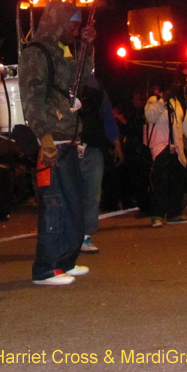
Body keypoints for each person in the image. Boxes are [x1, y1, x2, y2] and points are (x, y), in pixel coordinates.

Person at [18, 1, 94, 285]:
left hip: (69, 137)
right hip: (53, 139)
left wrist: (88, 48)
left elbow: (82, 79)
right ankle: (45, 268)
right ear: (58, 23)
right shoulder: (36, 53)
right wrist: (45, 137)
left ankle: (66, 261)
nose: (75, 30)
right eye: (72, 24)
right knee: (56, 204)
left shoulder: (64, 52)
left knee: (74, 203)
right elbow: (31, 99)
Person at [144, 82, 187, 227]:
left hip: (176, 149)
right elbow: (150, 116)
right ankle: (157, 215)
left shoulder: (179, 105)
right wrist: (163, 100)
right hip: (160, 148)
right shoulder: (154, 101)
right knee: (161, 182)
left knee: (177, 181)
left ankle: (174, 214)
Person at [77, 76, 123, 255]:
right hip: (71, 145)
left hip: (93, 145)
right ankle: (71, 235)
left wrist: (116, 143)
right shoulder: (64, 77)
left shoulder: (96, 85)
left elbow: (107, 115)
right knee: (73, 192)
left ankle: (86, 235)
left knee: (92, 193)